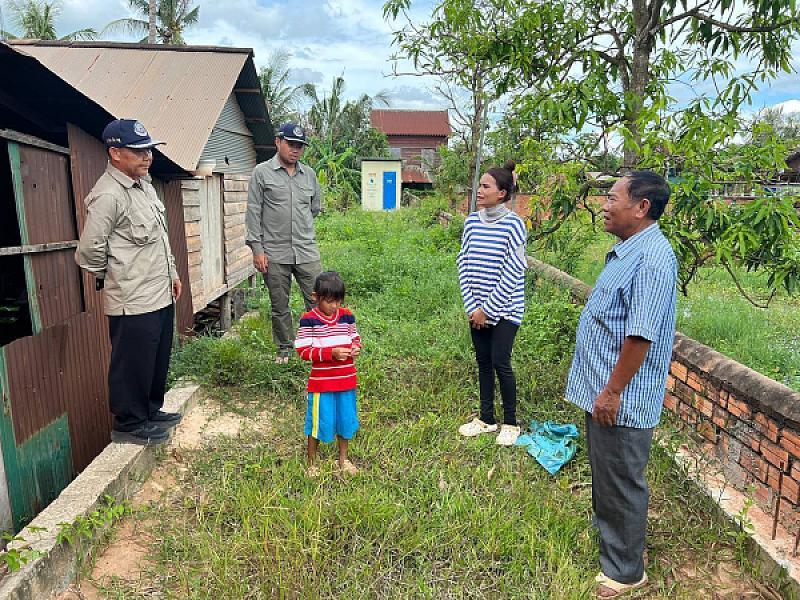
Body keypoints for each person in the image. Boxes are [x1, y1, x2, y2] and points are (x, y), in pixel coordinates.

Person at [564, 171, 676, 598]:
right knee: (608, 475)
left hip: (621, 400)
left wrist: (612, 392)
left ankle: (626, 573)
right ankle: (613, 538)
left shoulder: (651, 259)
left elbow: (640, 336)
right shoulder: (630, 251)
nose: (604, 205)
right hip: (603, 392)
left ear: (641, 207)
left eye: (612, 198)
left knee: (623, 480)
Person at [75, 119, 183, 445]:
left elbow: (159, 239)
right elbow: (88, 251)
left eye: (148, 149)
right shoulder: (108, 195)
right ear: (115, 153)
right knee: (132, 364)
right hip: (132, 298)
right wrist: (117, 277)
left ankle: (150, 411)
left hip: (159, 291)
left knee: (156, 357)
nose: (147, 156)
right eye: (137, 151)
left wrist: (173, 274)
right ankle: (129, 424)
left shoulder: (145, 186)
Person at [456, 160, 527, 447]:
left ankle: (510, 422)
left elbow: (513, 271)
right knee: (483, 362)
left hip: (506, 310)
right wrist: (473, 307)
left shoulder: (514, 225)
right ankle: (486, 418)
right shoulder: (472, 221)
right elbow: (463, 263)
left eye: (485, 186)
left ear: (502, 193)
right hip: (476, 310)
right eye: (480, 185)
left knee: (500, 362)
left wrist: (489, 309)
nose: (479, 190)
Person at [245, 123, 322, 364]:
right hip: (274, 253)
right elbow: (253, 212)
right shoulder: (262, 173)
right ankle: (285, 349)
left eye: (300, 146)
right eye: (291, 144)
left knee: (318, 299)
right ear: (278, 142)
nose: (296, 150)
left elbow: (314, 208)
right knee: (280, 304)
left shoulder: (309, 174)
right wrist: (257, 249)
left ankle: (319, 344)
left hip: (306, 250)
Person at [294, 272, 361, 476]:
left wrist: (356, 347)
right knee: (317, 422)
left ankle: (343, 459)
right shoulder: (309, 320)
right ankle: (312, 464)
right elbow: (303, 350)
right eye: (329, 302)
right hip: (321, 384)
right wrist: (329, 353)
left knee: (345, 420)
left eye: (338, 301)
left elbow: (354, 336)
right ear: (316, 297)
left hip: (346, 381)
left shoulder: (347, 315)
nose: (334, 307)